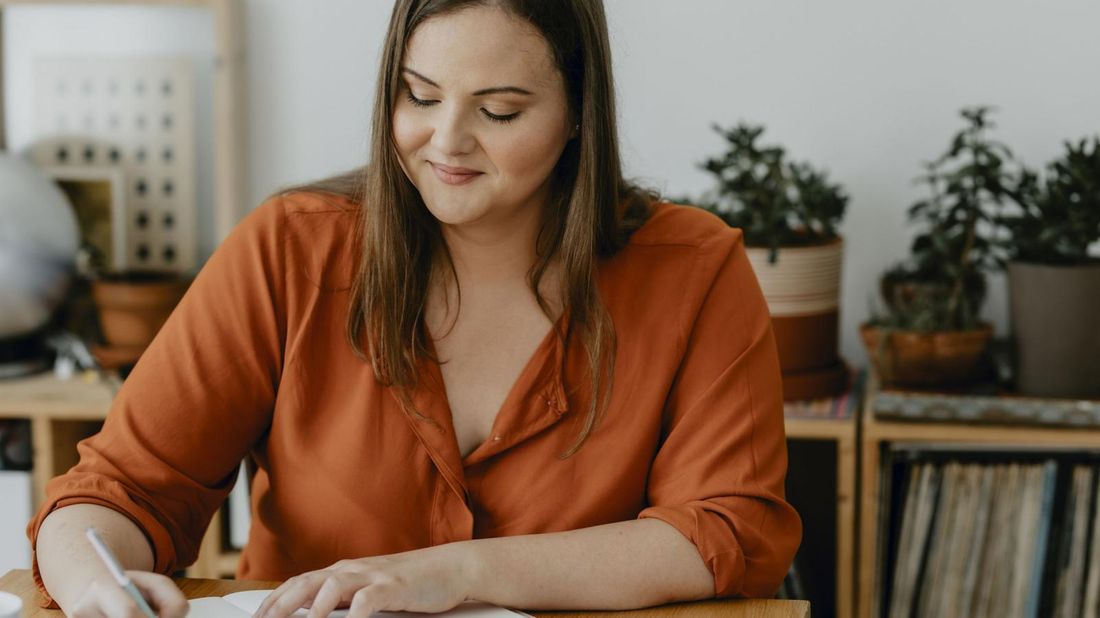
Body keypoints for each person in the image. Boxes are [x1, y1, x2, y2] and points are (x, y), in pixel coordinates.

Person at [28, 1, 801, 616]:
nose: (446, 141)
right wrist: (96, 584)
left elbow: (727, 529)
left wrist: (458, 573)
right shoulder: (290, 250)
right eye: (419, 95)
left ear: (577, 114)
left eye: (499, 111)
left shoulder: (693, 270)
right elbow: (117, 492)